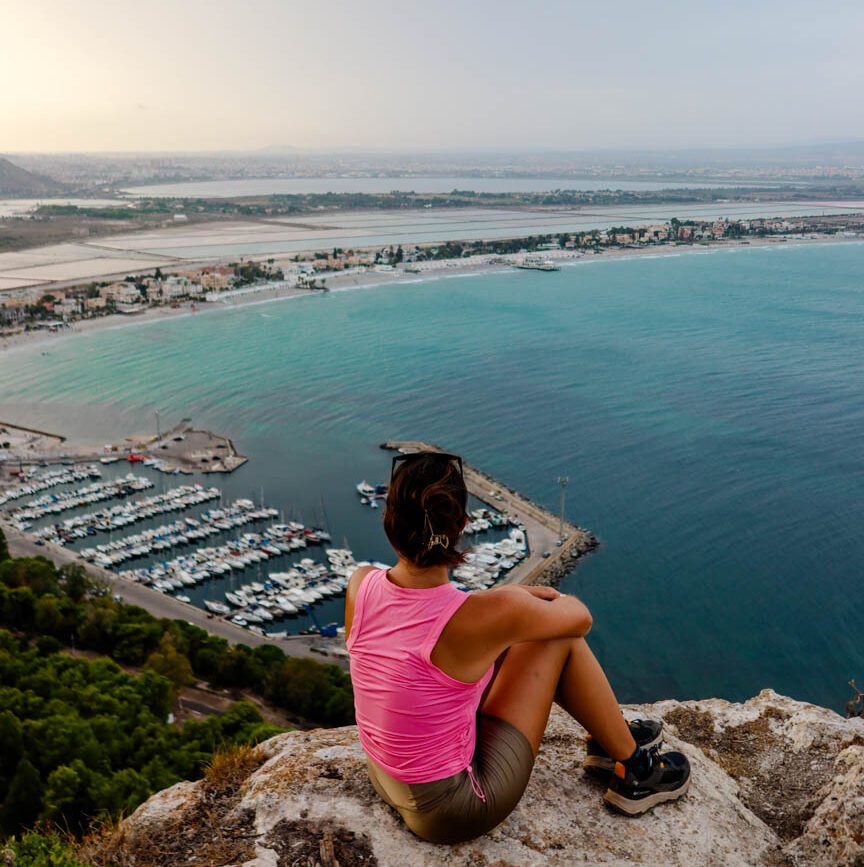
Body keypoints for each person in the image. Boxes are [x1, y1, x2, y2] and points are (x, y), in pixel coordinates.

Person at [346, 451, 690, 844]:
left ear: (388, 521)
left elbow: (418, 631)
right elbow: (579, 618)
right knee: (557, 636)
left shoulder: (362, 584)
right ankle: (635, 770)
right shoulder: (488, 613)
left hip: (385, 774)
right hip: (451, 810)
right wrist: (519, 603)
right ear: (462, 525)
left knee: (518, 638)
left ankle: (609, 740)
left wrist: (506, 605)